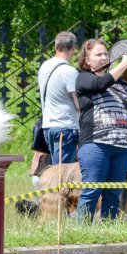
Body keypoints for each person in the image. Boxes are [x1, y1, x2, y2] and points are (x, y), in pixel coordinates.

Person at [74, 39, 127, 221]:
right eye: (98, 54)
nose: (103, 57)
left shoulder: (118, 82)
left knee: (113, 194)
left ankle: (108, 230)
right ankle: (80, 233)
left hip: (120, 147)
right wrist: (124, 64)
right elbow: (100, 84)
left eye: (105, 54)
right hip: (95, 145)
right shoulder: (83, 78)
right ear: (87, 61)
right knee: (92, 191)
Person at [39, 31, 80, 164]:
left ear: (56, 46)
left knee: (56, 170)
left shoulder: (44, 66)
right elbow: (79, 105)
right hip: (65, 127)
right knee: (62, 174)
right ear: (73, 48)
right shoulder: (69, 72)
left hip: (48, 126)